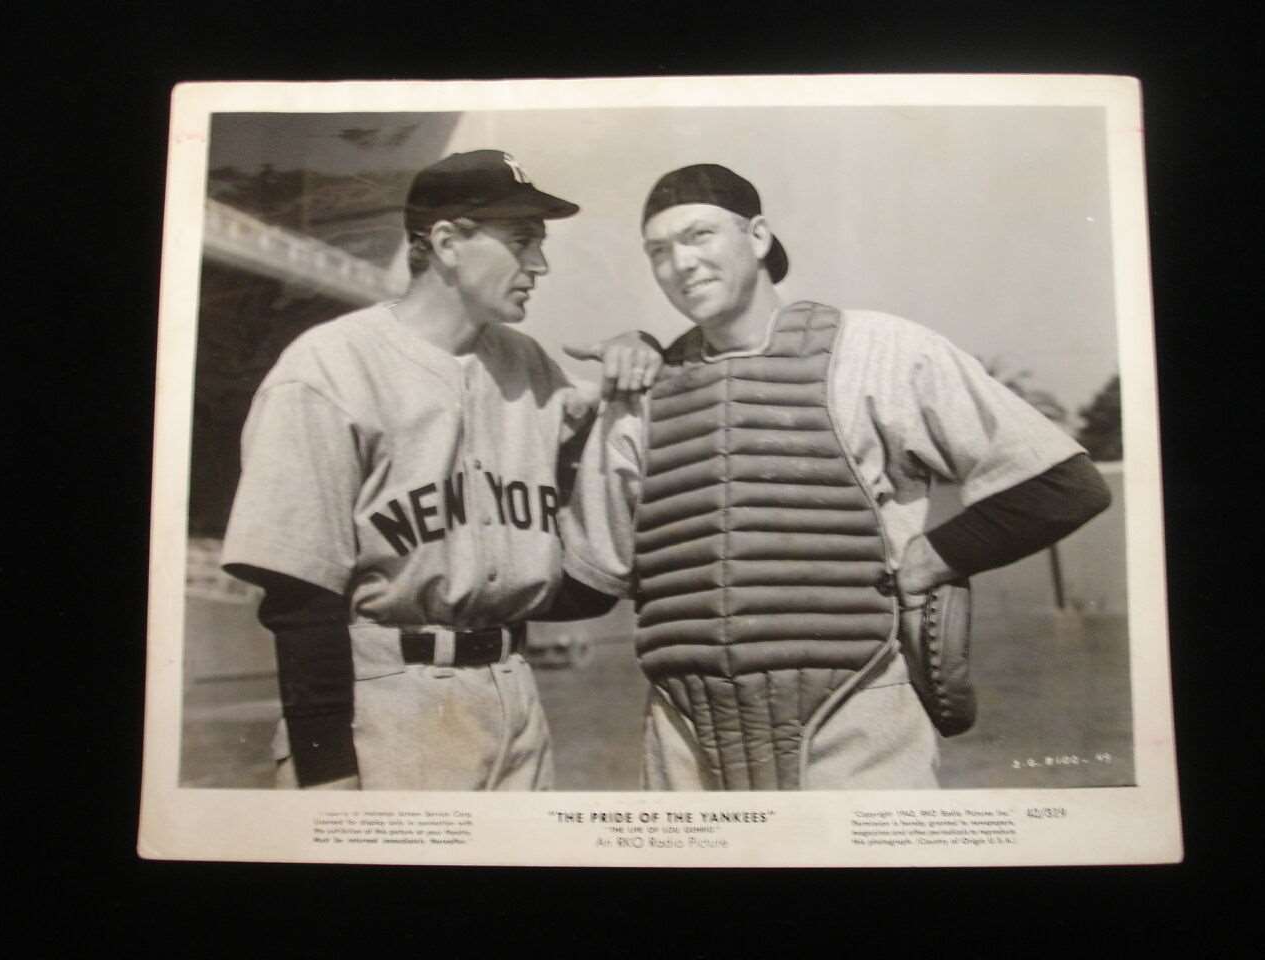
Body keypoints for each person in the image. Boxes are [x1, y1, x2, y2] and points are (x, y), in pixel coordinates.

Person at [561, 163, 1112, 790]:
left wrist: (933, 558)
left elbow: (1065, 486)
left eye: (699, 236)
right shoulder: (644, 392)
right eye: (658, 251)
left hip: (855, 709)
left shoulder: (875, 350)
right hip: (685, 731)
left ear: (759, 236)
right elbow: (588, 578)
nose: (680, 264)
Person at [221, 149, 660, 791]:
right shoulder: (328, 369)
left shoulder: (531, 368)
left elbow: (607, 486)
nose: (539, 263)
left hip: (514, 693)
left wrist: (639, 350)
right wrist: (325, 770)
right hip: (385, 702)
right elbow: (300, 599)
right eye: (521, 241)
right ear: (448, 243)